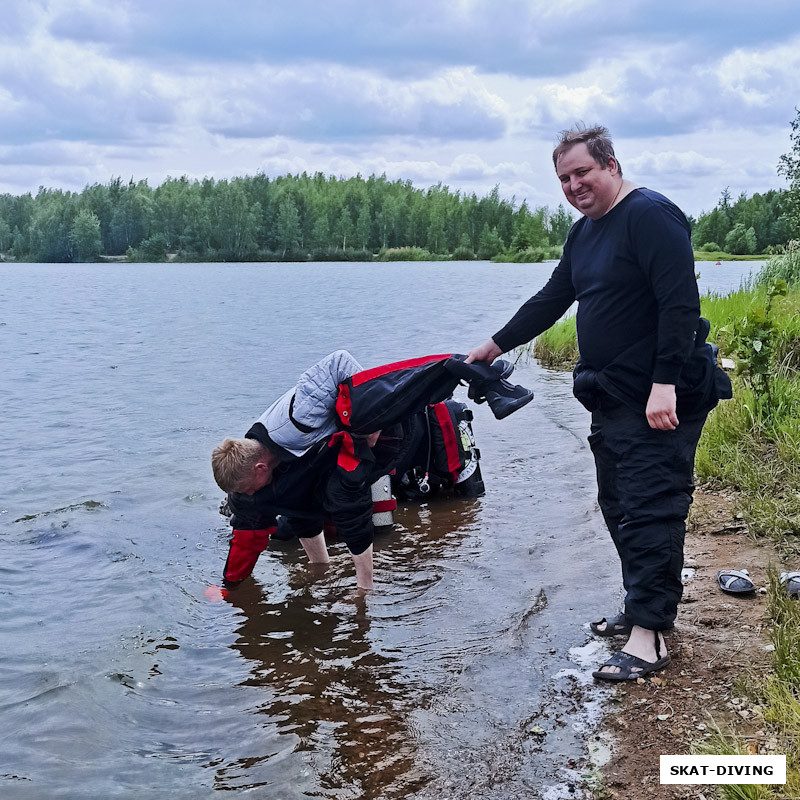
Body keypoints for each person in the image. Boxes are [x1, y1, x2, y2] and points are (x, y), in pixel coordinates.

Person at [466, 124, 731, 681]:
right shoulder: (585, 232)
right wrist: (492, 346)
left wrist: (665, 382)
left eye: (582, 172)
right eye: (563, 178)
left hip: (660, 394)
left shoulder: (651, 215)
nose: (573, 185)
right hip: (611, 395)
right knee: (618, 505)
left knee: (651, 504)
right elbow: (553, 298)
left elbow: (681, 304)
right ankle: (644, 609)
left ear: (611, 164)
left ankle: (651, 638)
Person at [211, 349, 533, 595]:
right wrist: (228, 587)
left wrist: (371, 424)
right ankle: (321, 569)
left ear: (260, 466)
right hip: (336, 447)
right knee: (296, 500)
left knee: (349, 472)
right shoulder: (261, 462)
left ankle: (480, 373)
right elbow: (251, 526)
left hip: (387, 432)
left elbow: (340, 360)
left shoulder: (299, 418)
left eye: (248, 487)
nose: (249, 493)